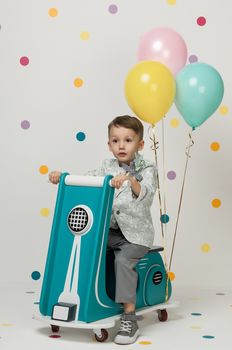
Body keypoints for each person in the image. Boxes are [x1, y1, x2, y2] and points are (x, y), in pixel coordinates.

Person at [49, 115, 157, 345]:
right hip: (110, 232)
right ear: (109, 144)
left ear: (140, 145)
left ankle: (129, 316)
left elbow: (146, 194)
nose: (121, 145)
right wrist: (63, 177)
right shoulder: (106, 166)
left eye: (128, 140)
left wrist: (130, 181)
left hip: (135, 236)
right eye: (115, 140)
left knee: (123, 261)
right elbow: (86, 180)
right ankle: (85, 300)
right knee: (84, 246)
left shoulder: (147, 167)